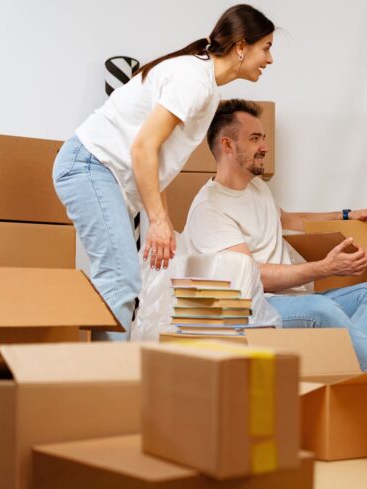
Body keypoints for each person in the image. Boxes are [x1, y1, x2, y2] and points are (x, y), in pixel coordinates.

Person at [184, 99, 367, 428]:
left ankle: (344, 380)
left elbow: (289, 218)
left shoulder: (256, 188)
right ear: (227, 145)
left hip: (292, 302)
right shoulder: (210, 208)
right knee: (321, 311)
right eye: (255, 139)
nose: (265, 146)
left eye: (264, 137)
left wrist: (348, 214)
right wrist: (324, 268)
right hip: (253, 309)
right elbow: (253, 279)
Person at [52, 5, 275, 341]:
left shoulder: (206, 88)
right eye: (266, 48)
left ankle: (106, 375)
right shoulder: (194, 81)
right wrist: (156, 222)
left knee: (124, 278)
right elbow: (142, 147)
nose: (270, 59)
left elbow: (158, 159)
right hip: (90, 165)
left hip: (101, 172)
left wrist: (165, 222)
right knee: (120, 277)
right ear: (242, 46)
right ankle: (105, 381)